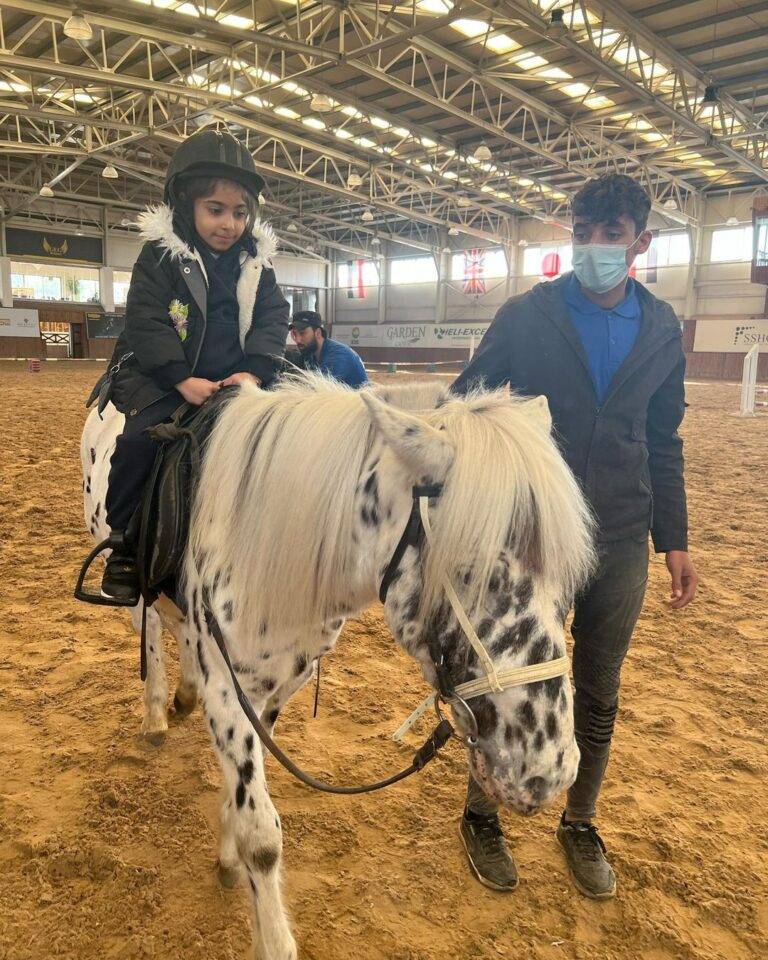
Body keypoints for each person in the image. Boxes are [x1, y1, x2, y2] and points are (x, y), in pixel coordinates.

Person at [452, 173, 698, 899]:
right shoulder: (527, 315)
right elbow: (467, 402)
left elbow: (664, 439)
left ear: (640, 242)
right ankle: (481, 815)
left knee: (598, 690)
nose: (594, 247)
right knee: (511, 682)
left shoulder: (660, 329)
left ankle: (581, 821)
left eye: (611, 234)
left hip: (621, 536)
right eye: (583, 234)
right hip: (532, 533)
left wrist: (673, 539)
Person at [94, 129, 289, 603]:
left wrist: (256, 371)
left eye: (239, 213)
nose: (229, 224)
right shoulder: (160, 257)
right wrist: (181, 378)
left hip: (239, 375)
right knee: (139, 442)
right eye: (216, 210)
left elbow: (272, 317)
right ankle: (124, 542)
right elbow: (146, 320)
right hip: (166, 375)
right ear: (186, 206)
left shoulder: (257, 266)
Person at [289, 310, 369, 388]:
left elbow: (317, 392)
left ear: (318, 333)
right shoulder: (311, 354)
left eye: (302, 333)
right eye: (295, 334)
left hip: (359, 400)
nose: (298, 340)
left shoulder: (338, 356)